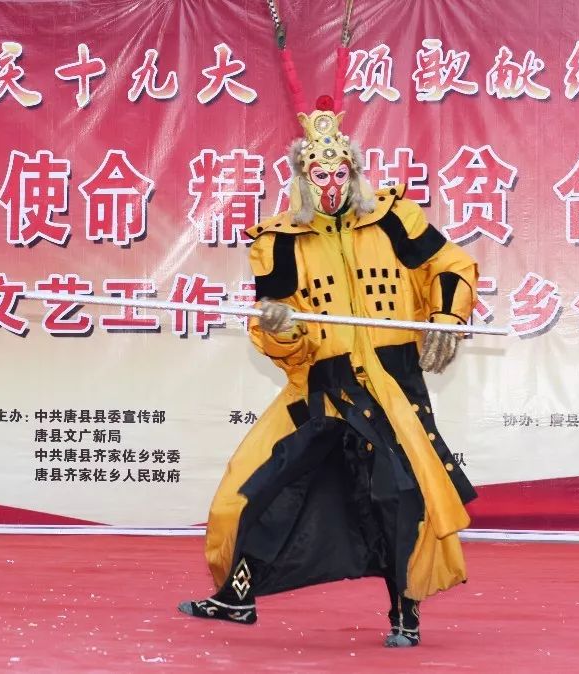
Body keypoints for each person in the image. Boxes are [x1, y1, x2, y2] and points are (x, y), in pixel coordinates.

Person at [176, 14, 479, 646]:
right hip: (322, 387)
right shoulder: (280, 242)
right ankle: (236, 596)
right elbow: (279, 336)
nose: (332, 183)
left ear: (354, 172)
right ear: (303, 178)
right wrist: (280, 325)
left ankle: (405, 612)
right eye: (320, 174)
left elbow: (451, 265)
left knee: (399, 491)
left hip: (390, 384)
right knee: (256, 489)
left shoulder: (393, 218)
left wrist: (447, 318)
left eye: (341, 172)